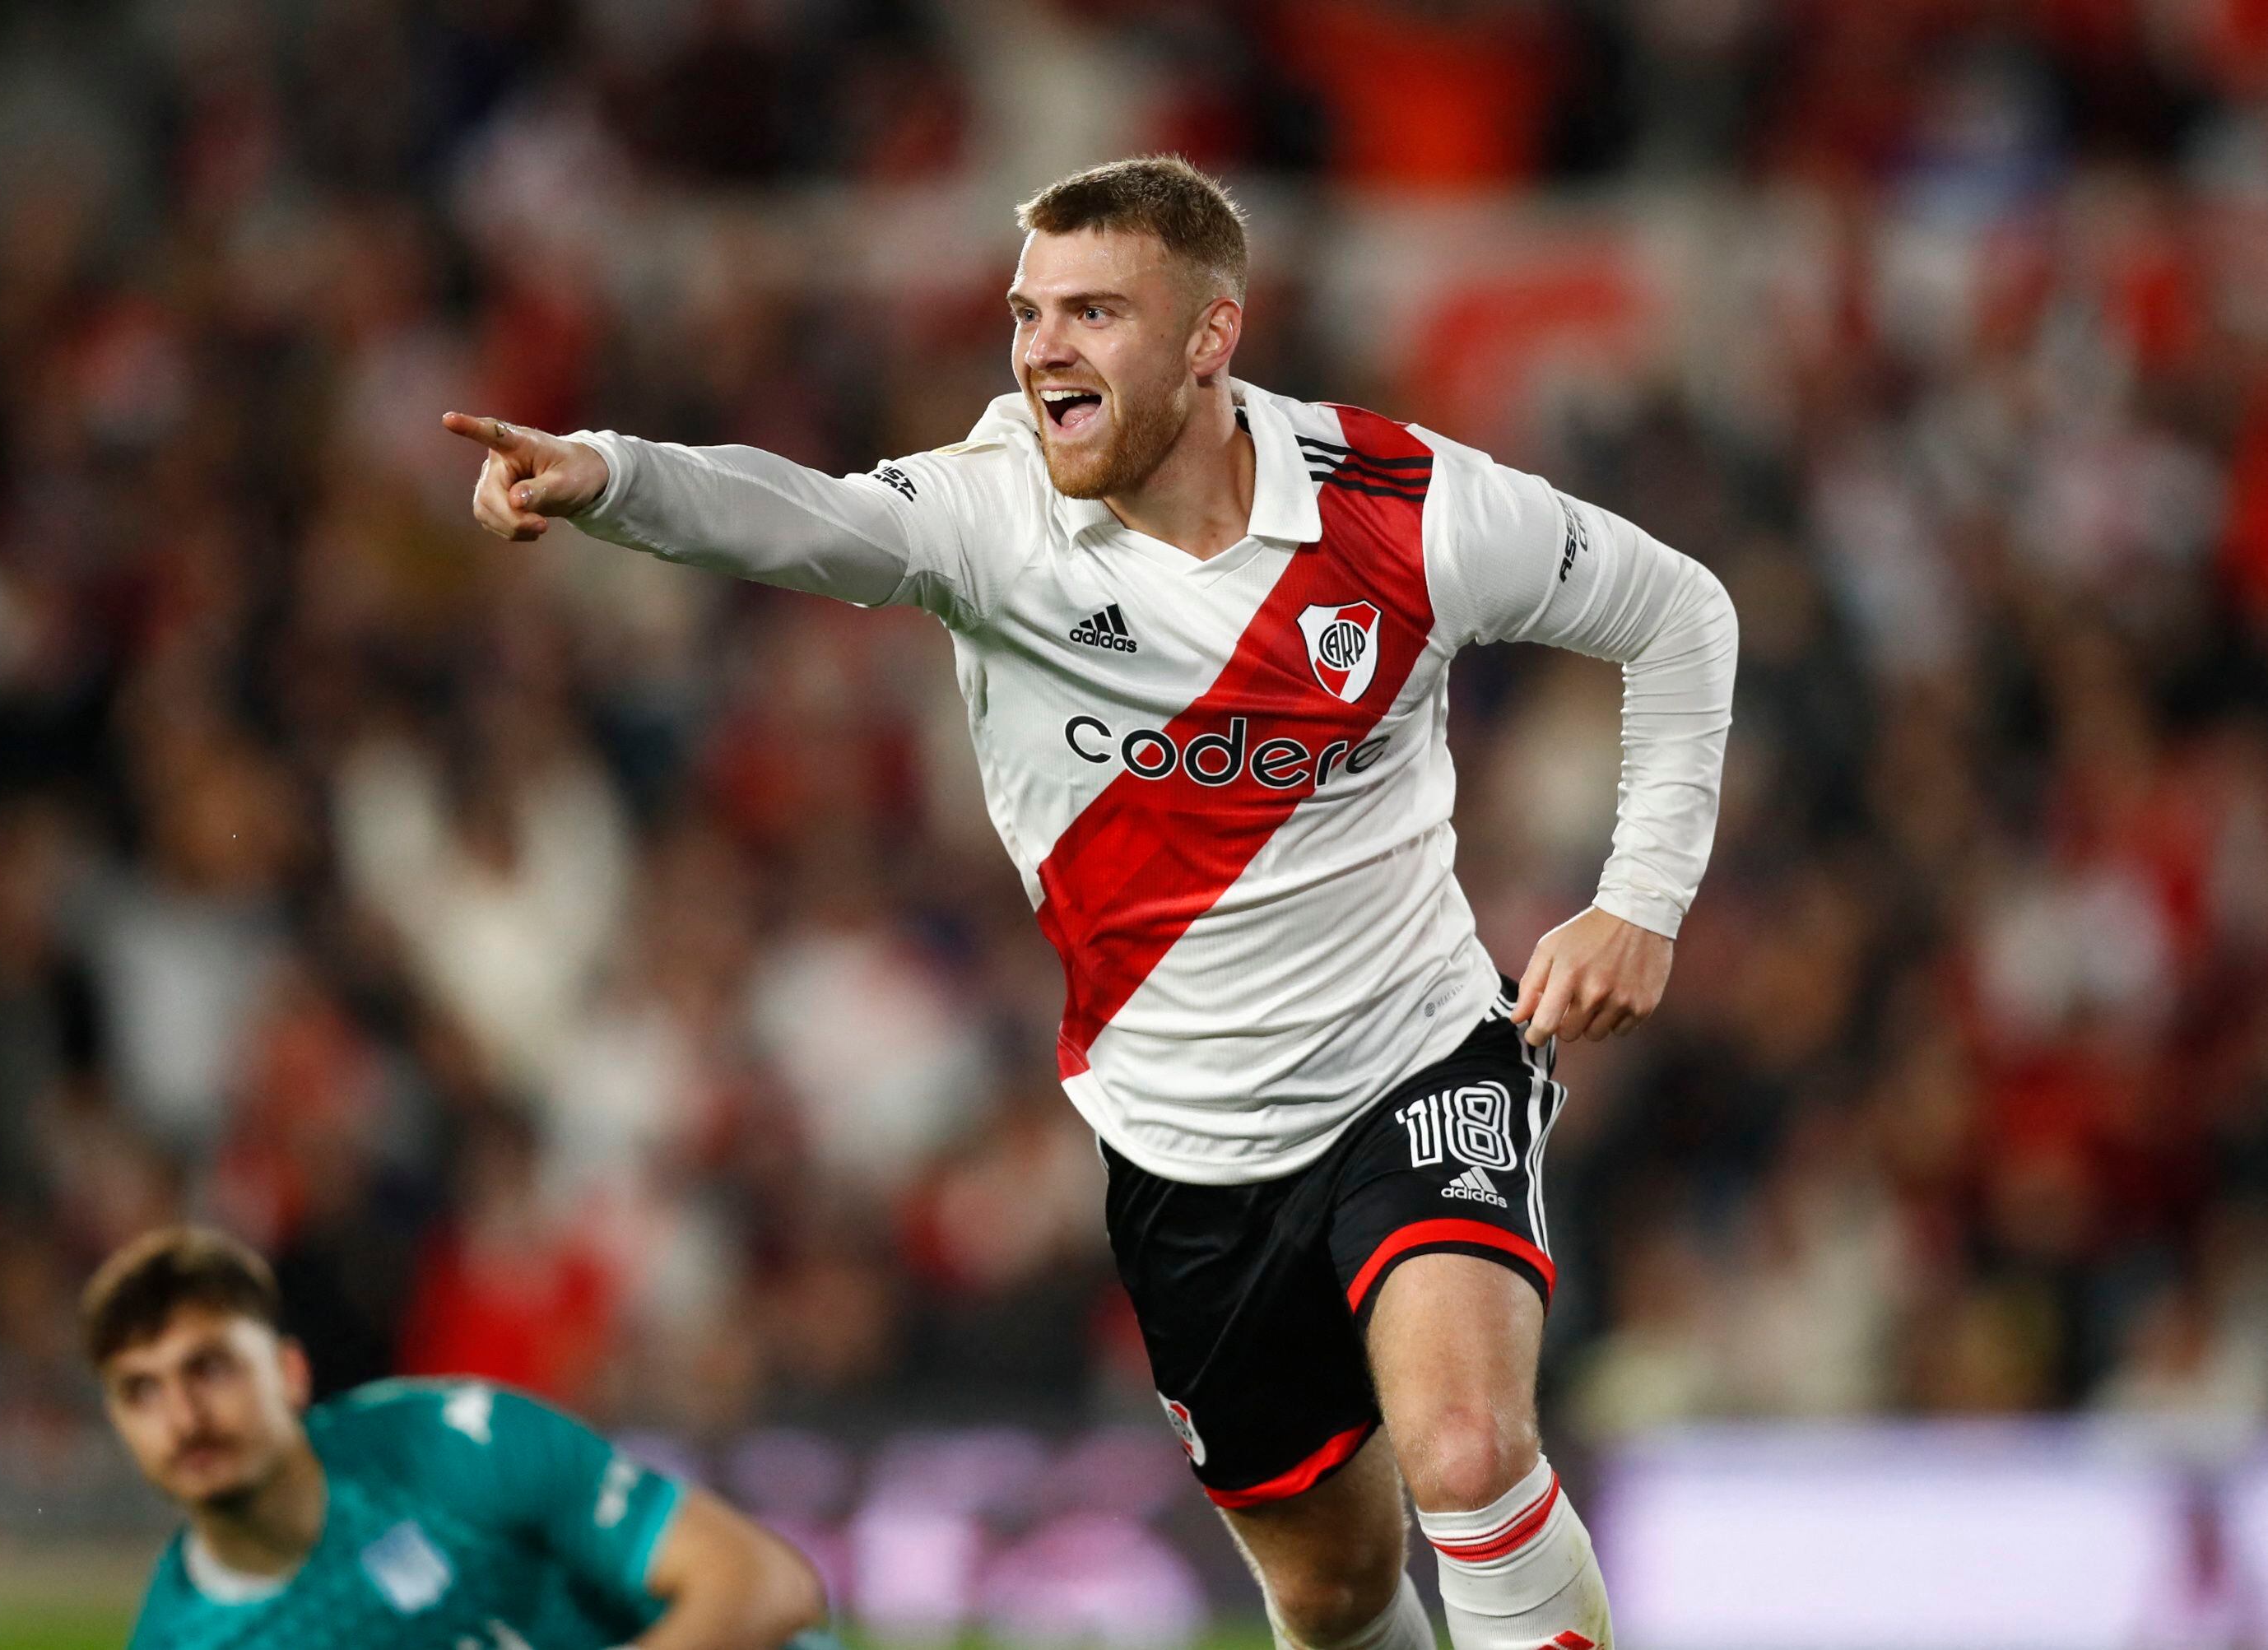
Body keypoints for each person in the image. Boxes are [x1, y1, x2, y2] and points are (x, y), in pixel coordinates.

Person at [447, 155, 1737, 1650]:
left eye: (1092, 312)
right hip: (1183, 1149)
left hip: (1417, 1061)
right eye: (1027, 313)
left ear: (1208, 338)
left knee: (1465, 1453)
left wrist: (1638, 898)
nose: (1041, 347)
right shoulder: (992, 516)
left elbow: (1676, 610)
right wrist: (604, 474)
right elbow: (792, 515)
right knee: (1328, 1592)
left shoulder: (1403, 506)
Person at [86, 1225, 835, 1650]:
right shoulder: (178, 1640)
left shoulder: (451, 1445)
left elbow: (769, 1584)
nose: (183, 1417)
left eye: (210, 1368)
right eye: (141, 1390)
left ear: (289, 1373)